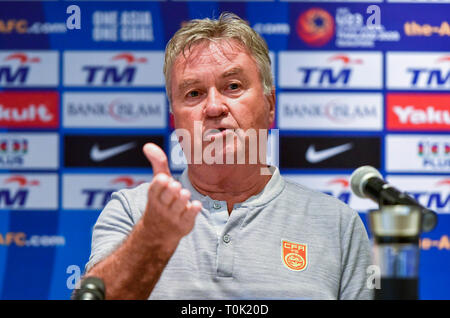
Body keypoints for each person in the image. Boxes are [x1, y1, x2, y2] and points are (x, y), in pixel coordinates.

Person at [84, 12, 373, 300]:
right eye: (194, 93)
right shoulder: (133, 212)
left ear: (270, 106)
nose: (213, 107)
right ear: (175, 119)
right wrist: (152, 238)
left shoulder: (337, 225)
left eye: (232, 86)